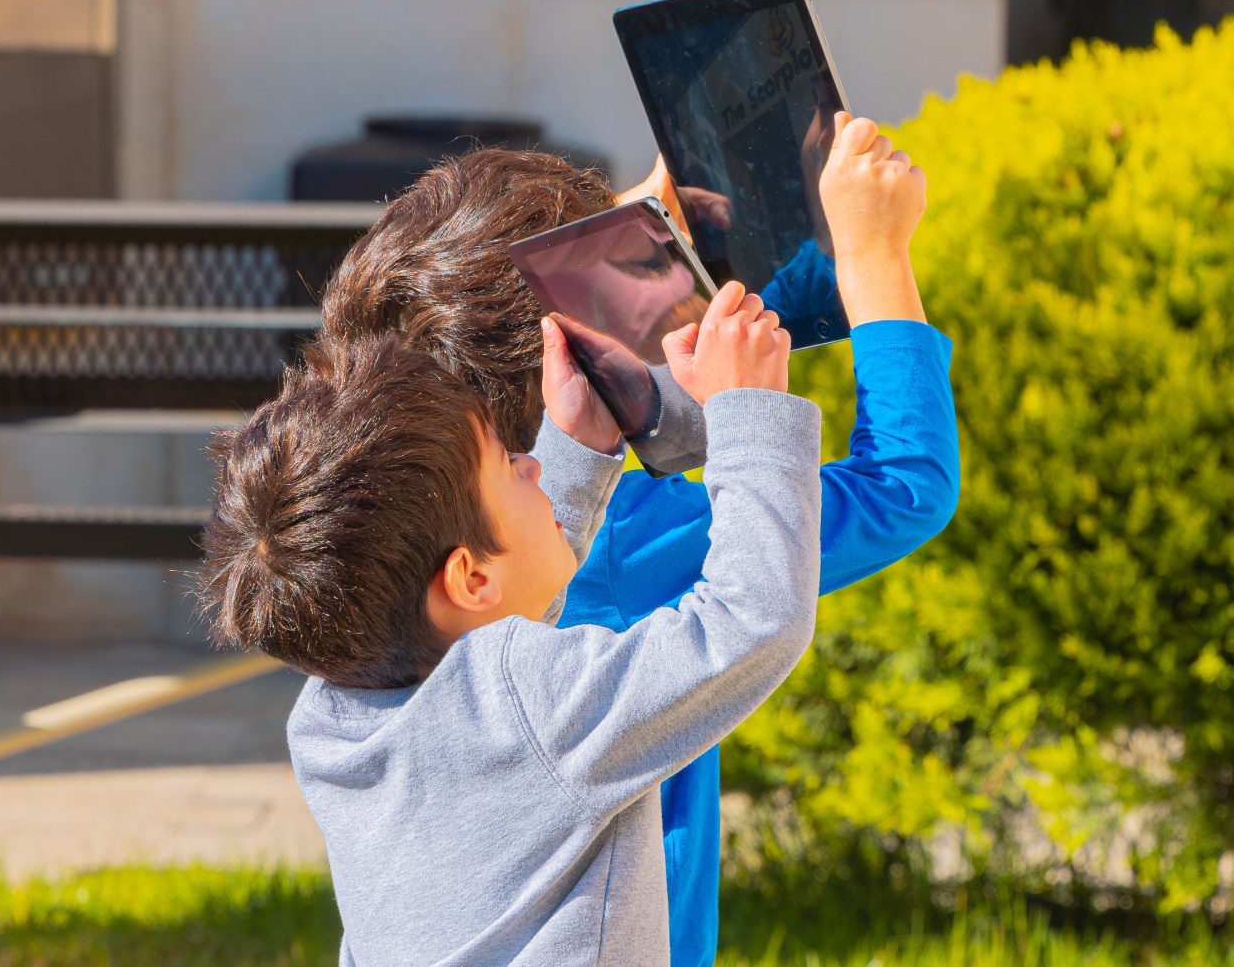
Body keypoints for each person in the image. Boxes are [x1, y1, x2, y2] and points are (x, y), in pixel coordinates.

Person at [318, 115, 960, 965]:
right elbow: (902, 485)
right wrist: (873, 251)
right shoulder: (628, 541)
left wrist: (612, 249)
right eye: (626, 288)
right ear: (575, 356)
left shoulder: (373, 591)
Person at [202, 278, 822, 964]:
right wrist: (750, 408)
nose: (532, 464)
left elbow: (486, 616)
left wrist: (575, 450)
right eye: (509, 464)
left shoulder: (331, 720)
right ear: (467, 577)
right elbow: (751, 619)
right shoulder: (531, 703)